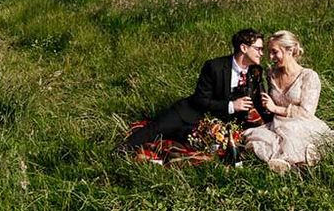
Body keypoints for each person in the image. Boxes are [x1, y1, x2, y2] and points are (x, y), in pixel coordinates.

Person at [121, 29, 264, 151]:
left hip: (218, 124)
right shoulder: (214, 66)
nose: (261, 53)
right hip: (190, 113)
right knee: (155, 130)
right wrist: (232, 106)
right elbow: (200, 99)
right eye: (258, 49)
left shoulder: (255, 71)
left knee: (185, 146)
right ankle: (120, 152)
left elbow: (259, 102)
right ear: (244, 48)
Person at [243, 30, 334, 173]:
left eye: (275, 52)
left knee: (291, 135)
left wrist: (274, 109)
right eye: (269, 52)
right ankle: (291, 164)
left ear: (290, 50)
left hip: (302, 123)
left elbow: (306, 112)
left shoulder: (309, 76)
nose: (271, 57)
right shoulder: (271, 74)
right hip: (277, 123)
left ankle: (295, 162)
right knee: (254, 136)